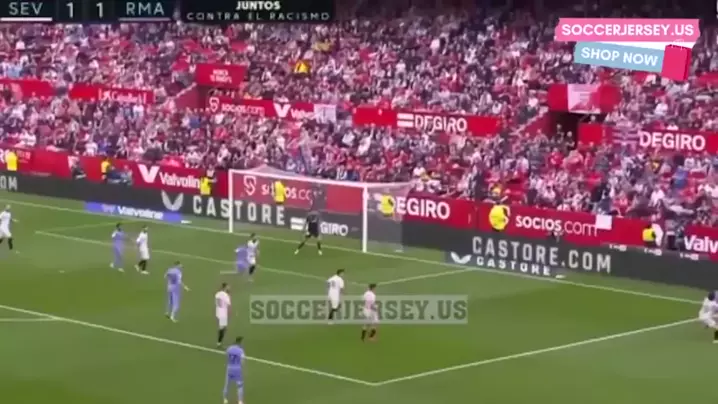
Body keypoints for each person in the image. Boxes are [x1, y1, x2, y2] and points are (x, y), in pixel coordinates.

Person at [223, 336, 245, 404]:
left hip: (229, 368)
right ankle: (240, 401)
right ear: (240, 342)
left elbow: (227, 355)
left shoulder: (229, 348)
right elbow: (242, 360)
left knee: (227, 384)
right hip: (237, 369)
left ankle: (225, 399)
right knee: (239, 385)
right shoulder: (240, 350)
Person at [216, 283, 232, 347]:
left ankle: (219, 341)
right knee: (222, 327)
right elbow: (228, 304)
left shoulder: (218, 293)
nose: (229, 287)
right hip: (223, 312)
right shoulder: (226, 295)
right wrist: (229, 312)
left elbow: (217, 302)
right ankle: (219, 342)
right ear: (225, 287)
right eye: (228, 287)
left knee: (223, 327)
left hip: (218, 311)